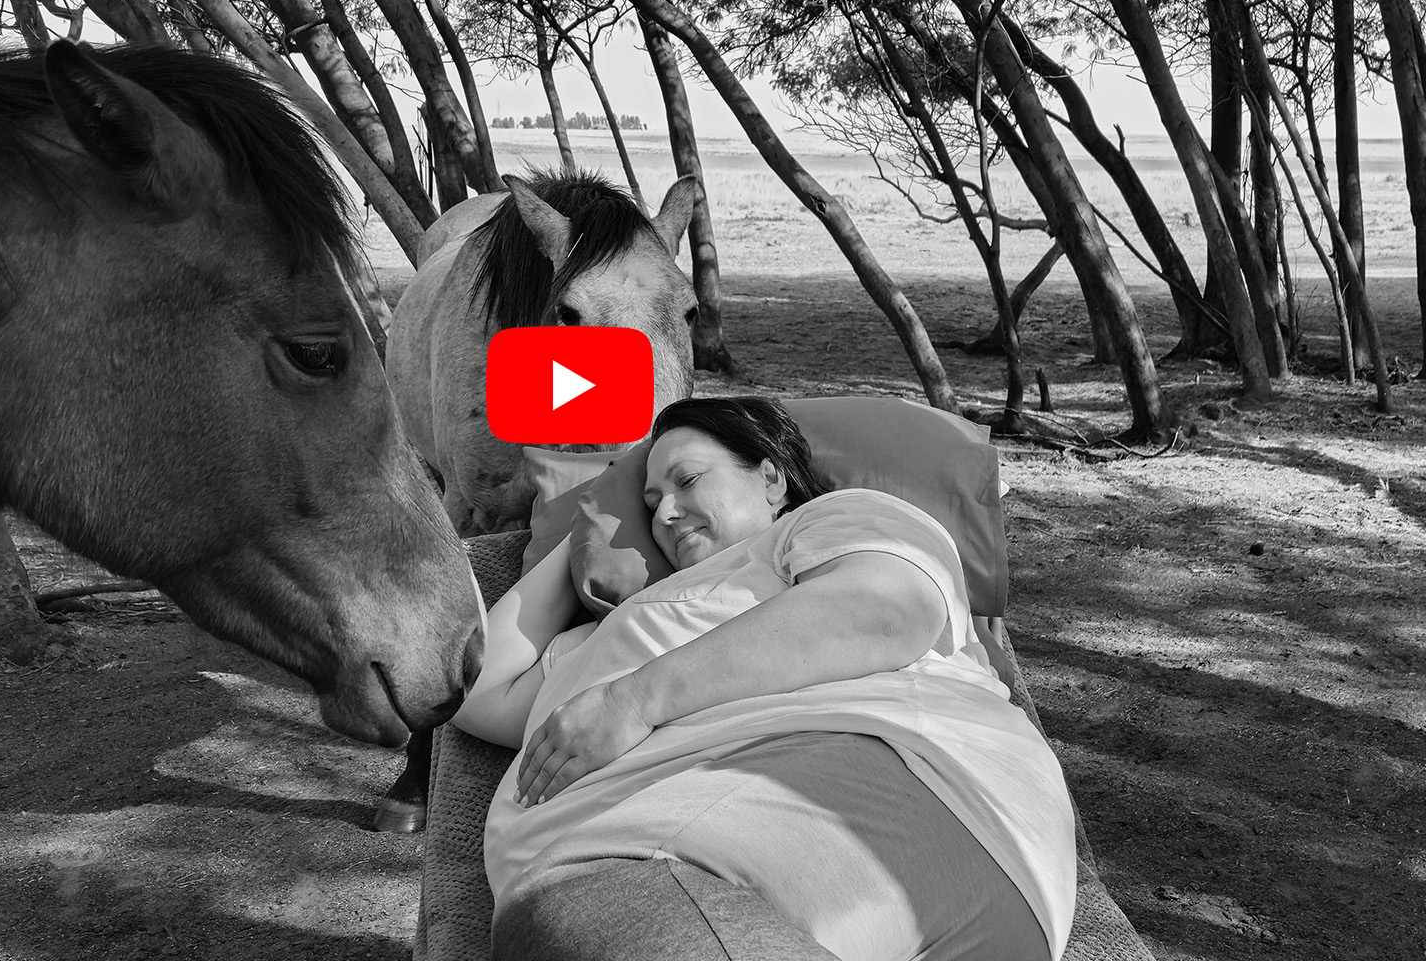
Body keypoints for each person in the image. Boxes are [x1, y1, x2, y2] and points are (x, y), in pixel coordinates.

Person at [450, 397, 1076, 961]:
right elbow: (473, 688)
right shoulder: (607, 633)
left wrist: (635, 699)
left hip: (864, 788)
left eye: (688, 480)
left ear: (772, 476)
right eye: (648, 503)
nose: (665, 511)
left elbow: (886, 611)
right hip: (654, 866)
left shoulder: (827, 522)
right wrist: (587, 524)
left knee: (590, 918)